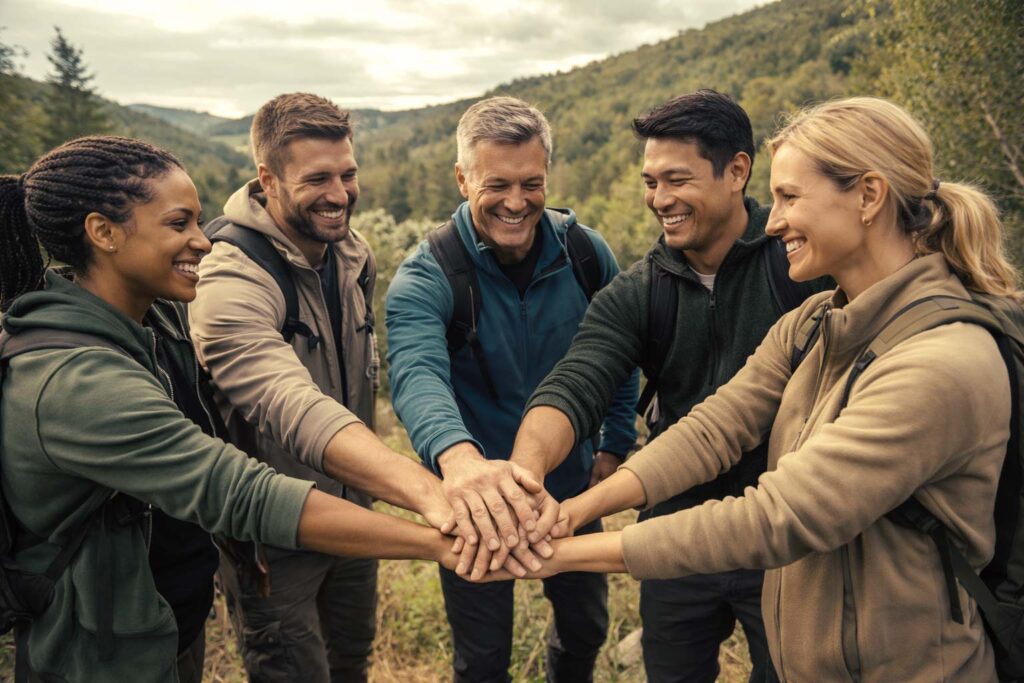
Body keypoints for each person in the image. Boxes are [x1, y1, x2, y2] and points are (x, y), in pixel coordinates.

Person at [511, 97, 1019, 682]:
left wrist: (557, 555)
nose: (772, 221)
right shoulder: (814, 325)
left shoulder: (940, 364)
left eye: (790, 198)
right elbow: (713, 428)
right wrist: (574, 512)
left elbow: (778, 515)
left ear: (869, 196)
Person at [0, 135, 462, 683]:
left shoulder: (156, 320)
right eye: (179, 225)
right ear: (103, 232)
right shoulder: (75, 384)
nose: (203, 242)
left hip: (168, 623)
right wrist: (443, 539)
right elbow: (236, 491)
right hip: (102, 658)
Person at [511, 90, 830, 682]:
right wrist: (526, 474)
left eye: (676, 180)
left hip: (787, 538)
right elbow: (577, 381)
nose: (660, 199)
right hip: (673, 535)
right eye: (651, 181)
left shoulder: (803, 266)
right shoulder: (641, 290)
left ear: (737, 170)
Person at [188, 92, 477, 682]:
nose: (340, 194)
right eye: (317, 178)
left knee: (352, 661)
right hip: (275, 536)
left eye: (348, 174)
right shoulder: (227, 274)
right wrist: (428, 493)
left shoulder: (351, 255)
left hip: (356, 514)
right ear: (267, 178)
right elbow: (289, 403)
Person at [385, 96, 639, 682]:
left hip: (571, 487)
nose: (516, 202)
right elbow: (417, 375)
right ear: (462, 177)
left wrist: (615, 440)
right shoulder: (428, 275)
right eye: (497, 184)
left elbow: (622, 352)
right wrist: (460, 461)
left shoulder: (584, 253)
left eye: (532, 183)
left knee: (586, 629)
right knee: (483, 655)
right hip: (475, 502)